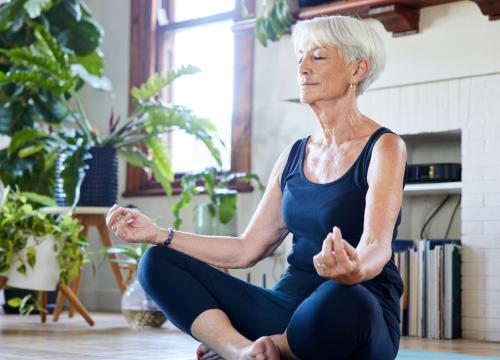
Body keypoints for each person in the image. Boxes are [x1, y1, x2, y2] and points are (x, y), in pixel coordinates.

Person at [106, 14, 407, 360]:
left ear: (357, 71)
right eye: (300, 57)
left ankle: (272, 348)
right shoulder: (294, 155)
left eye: (318, 57)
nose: (303, 68)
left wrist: (353, 270)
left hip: (355, 309)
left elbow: (376, 245)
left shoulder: (384, 147)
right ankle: (241, 351)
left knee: (342, 297)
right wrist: (159, 234)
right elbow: (246, 249)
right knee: (156, 262)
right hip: (286, 306)